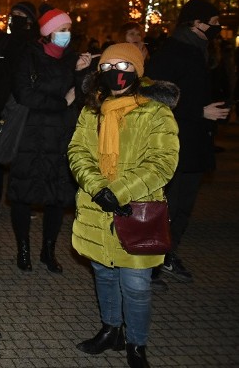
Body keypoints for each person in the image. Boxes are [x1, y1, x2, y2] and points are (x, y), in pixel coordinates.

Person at [69, 43, 180, 368]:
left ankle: (136, 344)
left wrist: (118, 192)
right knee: (103, 274)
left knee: (136, 285)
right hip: (96, 209)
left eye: (123, 65)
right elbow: (78, 151)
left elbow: (162, 163)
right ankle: (111, 330)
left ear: (137, 70)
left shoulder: (155, 111)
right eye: (106, 66)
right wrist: (97, 187)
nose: (114, 72)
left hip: (137, 210)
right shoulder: (92, 109)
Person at [145, 0, 230, 290]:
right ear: (196, 23)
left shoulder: (203, 51)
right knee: (168, 204)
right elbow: (154, 96)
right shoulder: (173, 52)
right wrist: (198, 111)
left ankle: (168, 254)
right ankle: (151, 264)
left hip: (196, 141)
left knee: (184, 208)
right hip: (172, 141)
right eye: (214, 22)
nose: (218, 28)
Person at [8, 6, 91, 274]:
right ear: (47, 32)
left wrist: (81, 73)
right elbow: (25, 94)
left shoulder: (74, 59)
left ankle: (48, 250)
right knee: (23, 195)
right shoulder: (28, 57)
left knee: (57, 197)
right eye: (61, 30)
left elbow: (82, 95)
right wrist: (60, 102)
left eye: (68, 30)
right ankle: (23, 249)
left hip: (61, 136)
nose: (66, 35)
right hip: (31, 136)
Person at [0, 1, 39, 218]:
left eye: (20, 15)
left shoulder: (36, 43)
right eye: (13, 14)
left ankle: (24, 200)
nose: (15, 18)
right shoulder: (3, 41)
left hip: (25, 108)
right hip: (0, 105)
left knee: (23, 157)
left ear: (30, 20)